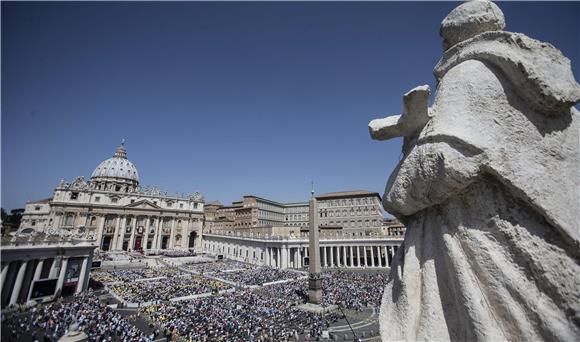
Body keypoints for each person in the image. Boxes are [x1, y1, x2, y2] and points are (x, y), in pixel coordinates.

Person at [371, 1, 580, 341]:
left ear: (452, 39)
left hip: (489, 239)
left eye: (443, 40)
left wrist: (394, 194)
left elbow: (446, 158)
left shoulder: (471, 71)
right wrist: (413, 128)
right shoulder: (510, 73)